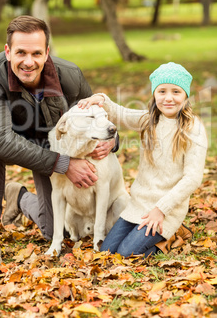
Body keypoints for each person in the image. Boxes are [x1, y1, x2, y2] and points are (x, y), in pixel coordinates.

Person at [0, 15, 117, 264]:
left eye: (36, 53)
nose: (28, 62)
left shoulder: (70, 76)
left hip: (51, 146)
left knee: (55, 232)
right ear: (8, 52)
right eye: (20, 53)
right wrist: (63, 164)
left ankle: (19, 197)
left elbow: (98, 117)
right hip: (16, 142)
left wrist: (111, 142)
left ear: (47, 53)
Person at [78, 62, 208, 257]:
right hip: (139, 204)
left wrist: (161, 210)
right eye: (162, 91)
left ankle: (172, 236)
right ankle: (149, 234)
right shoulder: (149, 121)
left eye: (176, 92)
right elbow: (120, 113)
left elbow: (192, 179)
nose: (168, 98)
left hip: (166, 209)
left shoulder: (193, 129)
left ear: (186, 96)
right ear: (155, 94)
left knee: (126, 254)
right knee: (107, 251)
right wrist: (100, 99)